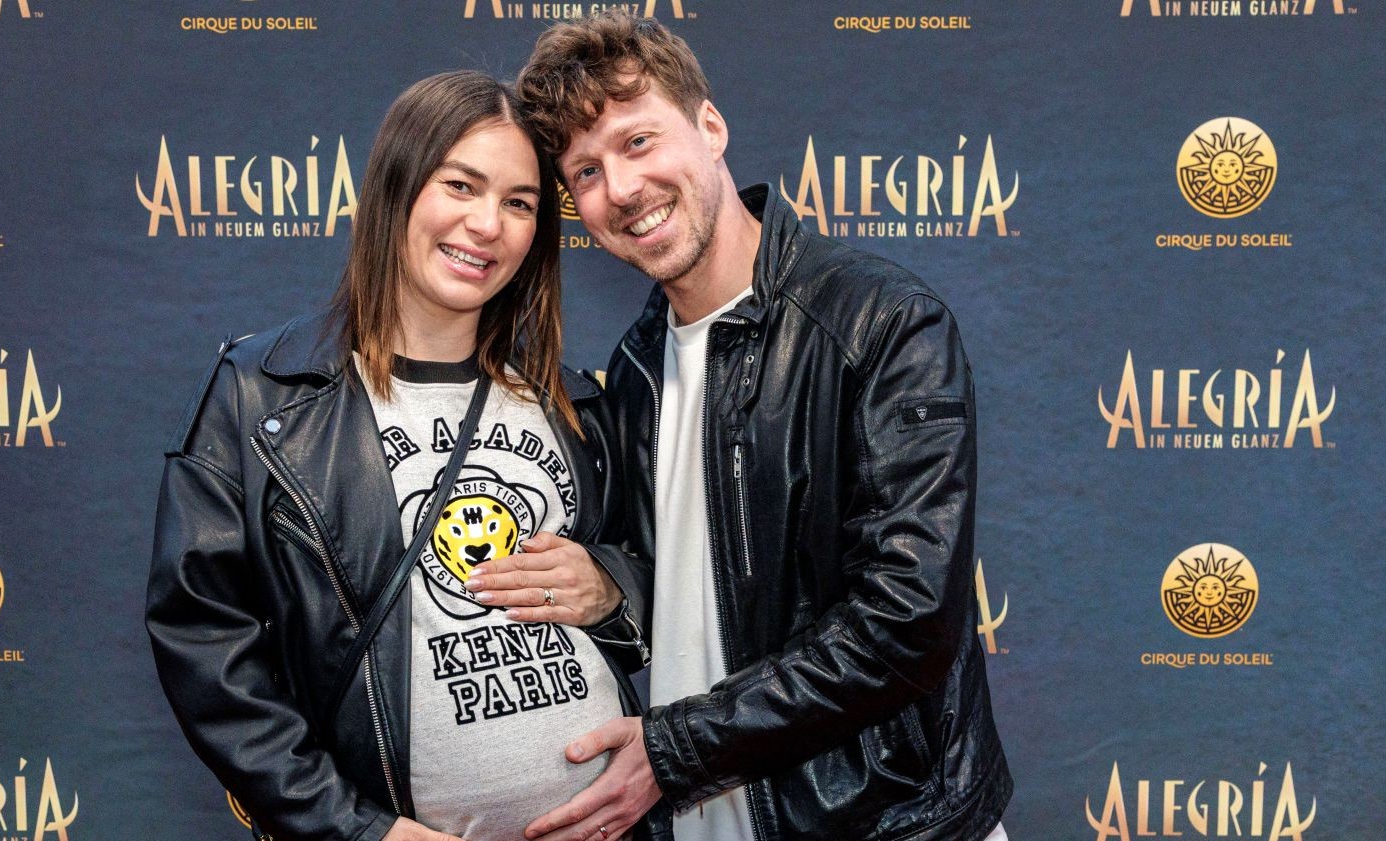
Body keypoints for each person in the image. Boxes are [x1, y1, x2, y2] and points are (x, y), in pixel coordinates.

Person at [482, 11, 1014, 841]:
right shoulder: (637, 368)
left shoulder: (880, 325)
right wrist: (611, 585)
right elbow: (696, 583)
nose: (620, 189)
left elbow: (908, 621)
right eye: (585, 171)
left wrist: (674, 749)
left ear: (710, 126)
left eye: (637, 141)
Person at [145, 70, 652, 841]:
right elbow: (203, 639)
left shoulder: (574, 400)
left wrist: (613, 586)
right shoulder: (264, 394)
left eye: (520, 203)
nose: (487, 224)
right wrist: (356, 829)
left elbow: (676, 581)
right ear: (398, 186)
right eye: (461, 185)